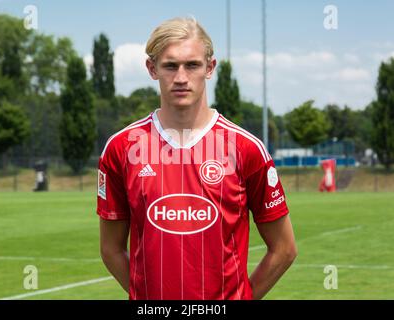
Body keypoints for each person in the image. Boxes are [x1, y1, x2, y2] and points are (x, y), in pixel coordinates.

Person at [97, 17, 297, 300]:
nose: (181, 77)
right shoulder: (121, 148)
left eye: (192, 65)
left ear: (210, 68)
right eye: (170, 66)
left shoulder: (246, 148)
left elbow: (284, 248)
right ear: (152, 69)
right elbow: (111, 249)